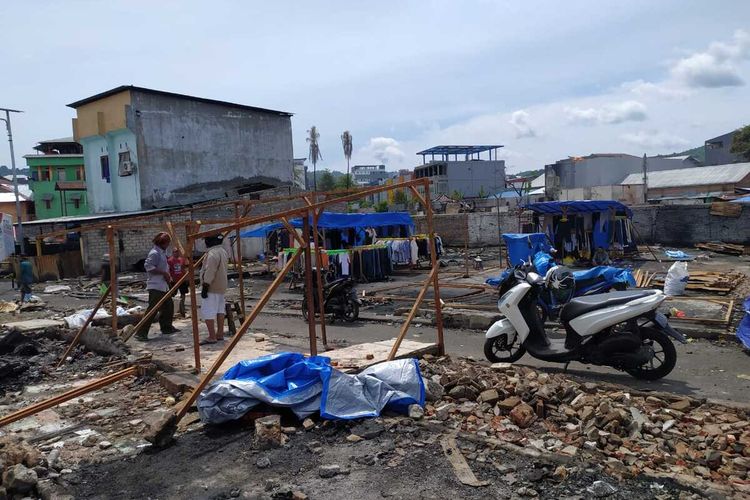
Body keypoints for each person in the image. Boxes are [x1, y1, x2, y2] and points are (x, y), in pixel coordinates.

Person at [135, 232, 179, 341]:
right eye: (167, 243)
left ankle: (166, 327)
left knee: (168, 306)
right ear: (162, 243)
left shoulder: (162, 252)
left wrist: (168, 276)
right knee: (152, 310)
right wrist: (164, 273)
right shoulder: (154, 253)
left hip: (163, 285)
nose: (168, 245)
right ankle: (141, 333)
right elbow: (148, 266)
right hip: (156, 286)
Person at [200, 235, 229, 344]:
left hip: (212, 286)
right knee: (220, 310)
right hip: (221, 286)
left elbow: (210, 271)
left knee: (208, 311)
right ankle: (220, 334)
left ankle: (212, 336)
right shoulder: (223, 251)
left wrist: (205, 286)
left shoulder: (212, 253)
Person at [168, 247, 189, 317]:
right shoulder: (170, 260)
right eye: (174, 252)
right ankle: (172, 311)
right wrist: (169, 279)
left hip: (182, 280)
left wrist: (186, 278)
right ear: (172, 252)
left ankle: (182, 309)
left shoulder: (182, 260)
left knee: (183, 294)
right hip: (174, 281)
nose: (176, 253)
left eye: (177, 251)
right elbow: (168, 270)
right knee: (172, 295)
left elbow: (184, 269)